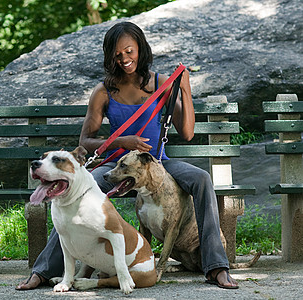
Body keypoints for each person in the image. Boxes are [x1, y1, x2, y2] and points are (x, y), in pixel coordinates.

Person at [16, 21, 238, 290]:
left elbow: (188, 132)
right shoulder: (104, 91)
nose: (125, 59)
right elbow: (85, 142)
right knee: (80, 186)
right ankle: (43, 270)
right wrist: (122, 141)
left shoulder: (159, 84)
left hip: (158, 165)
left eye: (129, 51)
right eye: (117, 55)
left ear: (140, 49)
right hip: (115, 166)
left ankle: (217, 266)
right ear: (110, 57)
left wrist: (184, 89)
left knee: (201, 178)